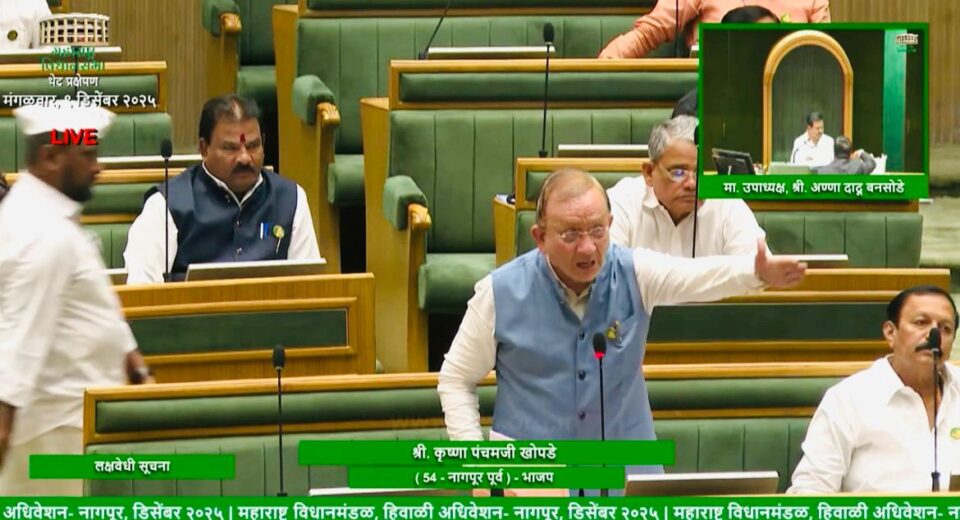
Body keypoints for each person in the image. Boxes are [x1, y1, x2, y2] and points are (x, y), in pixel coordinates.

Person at [438, 169, 806, 493]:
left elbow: (696, 276)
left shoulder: (635, 272)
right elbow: (455, 379)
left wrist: (756, 273)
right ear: (540, 236)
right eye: (570, 234)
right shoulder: (499, 292)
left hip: (627, 476)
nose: (588, 247)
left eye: (598, 231)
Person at [0, 102, 153, 496]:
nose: (98, 167)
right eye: (87, 155)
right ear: (51, 157)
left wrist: (135, 365)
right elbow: (20, 341)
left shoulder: (48, 213)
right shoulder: (41, 232)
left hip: (70, 423)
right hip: (53, 433)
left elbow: (90, 298)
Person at [123, 94, 322, 283]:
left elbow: (310, 288)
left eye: (253, 146)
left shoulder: (291, 199)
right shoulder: (166, 205)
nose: (244, 158)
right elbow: (143, 289)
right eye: (230, 148)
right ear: (204, 148)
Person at [788, 286, 960, 493]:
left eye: (945, 328)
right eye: (921, 323)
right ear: (891, 332)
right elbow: (810, 490)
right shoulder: (848, 398)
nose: (934, 336)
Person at [608, 116, 765, 257]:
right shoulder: (623, 201)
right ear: (649, 173)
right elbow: (607, 270)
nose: (692, 184)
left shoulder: (727, 205)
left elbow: (756, 271)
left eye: (700, 173)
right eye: (678, 172)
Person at [598, 0, 829, 59]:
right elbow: (650, 32)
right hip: (715, 91)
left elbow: (828, 48)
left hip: (788, 90)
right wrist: (607, 61)